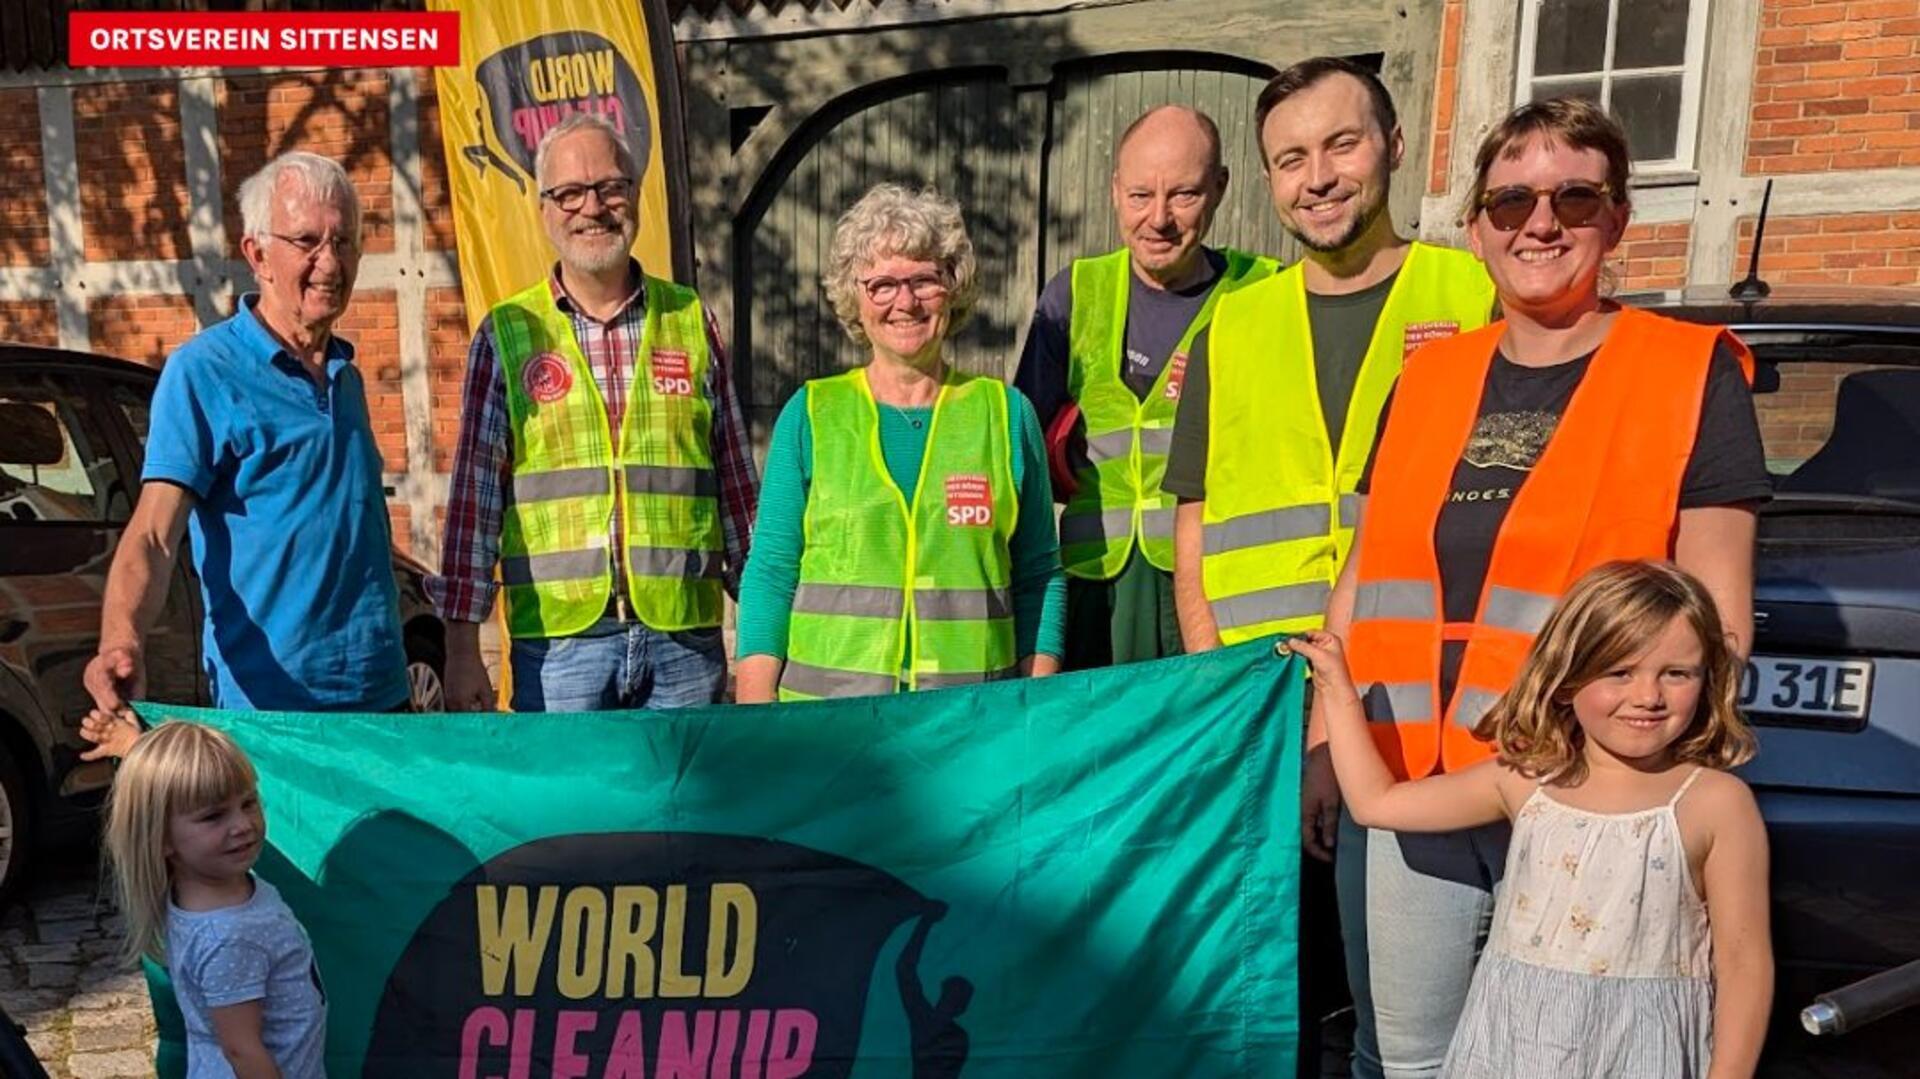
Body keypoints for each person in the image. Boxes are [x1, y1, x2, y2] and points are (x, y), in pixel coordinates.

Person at [1316, 97, 1771, 1079]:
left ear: (1616, 218)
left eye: (1574, 195)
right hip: (1413, 782)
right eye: (1511, 199)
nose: (1541, 221)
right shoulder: (1428, 381)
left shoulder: (1686, 373)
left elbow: (1718, 612)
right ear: (1477, 225)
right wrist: (1326, 743)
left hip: (1584, 797)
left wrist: (1638, 788)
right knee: (1403, 1059)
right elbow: (1364, 575)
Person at [1291, 559, 1772, 1078]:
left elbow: (1745, 964)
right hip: (1510, 1049)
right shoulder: (1526, 781)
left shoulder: (1716, 803)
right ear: (1568, 679)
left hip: (1642, 1055)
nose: (1648, 697)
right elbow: (1376, 803)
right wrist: (1337, 690)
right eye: (1619, 672)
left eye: (1676, 673)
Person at [1163, 57, 1496, 659]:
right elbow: (1194, 524)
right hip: (1265, 683)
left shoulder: (1480, 298)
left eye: (1342, 145)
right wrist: (1212, 667)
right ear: (1269, 181)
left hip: (1427, 673)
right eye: (1291, 160)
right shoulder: (1229, 329)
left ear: (1393, 146)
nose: (1317, 179)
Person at [431, 112, 758, 712]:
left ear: (634, 196)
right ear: (544, 210)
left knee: (682, 808)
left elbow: (738, 490)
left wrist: (764, 635)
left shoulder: (690, 320)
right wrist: (460, 647)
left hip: (684, 642)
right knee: (566, 809)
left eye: (610, 187)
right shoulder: (507, 334)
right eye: (570, 193)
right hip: (557, 651)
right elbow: (474, 507)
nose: (593, 208)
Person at [81, 151, 409, 720]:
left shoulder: (345, 375)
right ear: (257, 254)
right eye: (307, 241)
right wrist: (121, 640)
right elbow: (155, 535)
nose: (329, 263)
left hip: (382, 699)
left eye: (344, 241)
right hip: (270, 711)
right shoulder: (205, 372)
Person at [734, 183, 1066, 701]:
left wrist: (1033, 705)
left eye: (924, 280)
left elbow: (1039, 574)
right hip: (830, 728)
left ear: (953, 287)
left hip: (970, 724)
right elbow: (772, 572)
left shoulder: (1006, 416)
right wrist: (757, 713)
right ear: (855, 296)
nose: (904, 302)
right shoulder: (811, 414)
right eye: (882, 284)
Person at [1013, 104, 1276, 670]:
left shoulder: (1265, 295)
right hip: (1091, 588)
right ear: (1114, 191)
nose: (1158, 218)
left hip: (1214, 589)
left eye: (1183, 195)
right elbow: (1023, 458)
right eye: (1139, 196)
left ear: (1221, 188)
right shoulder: (1073, 295)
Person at [104, 722, 328, 1079]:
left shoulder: (218, 891)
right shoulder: (231, 935)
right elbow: (242, 1050)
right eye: (213, 816)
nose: (243, 824)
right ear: (160, 838)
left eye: (248, 802)